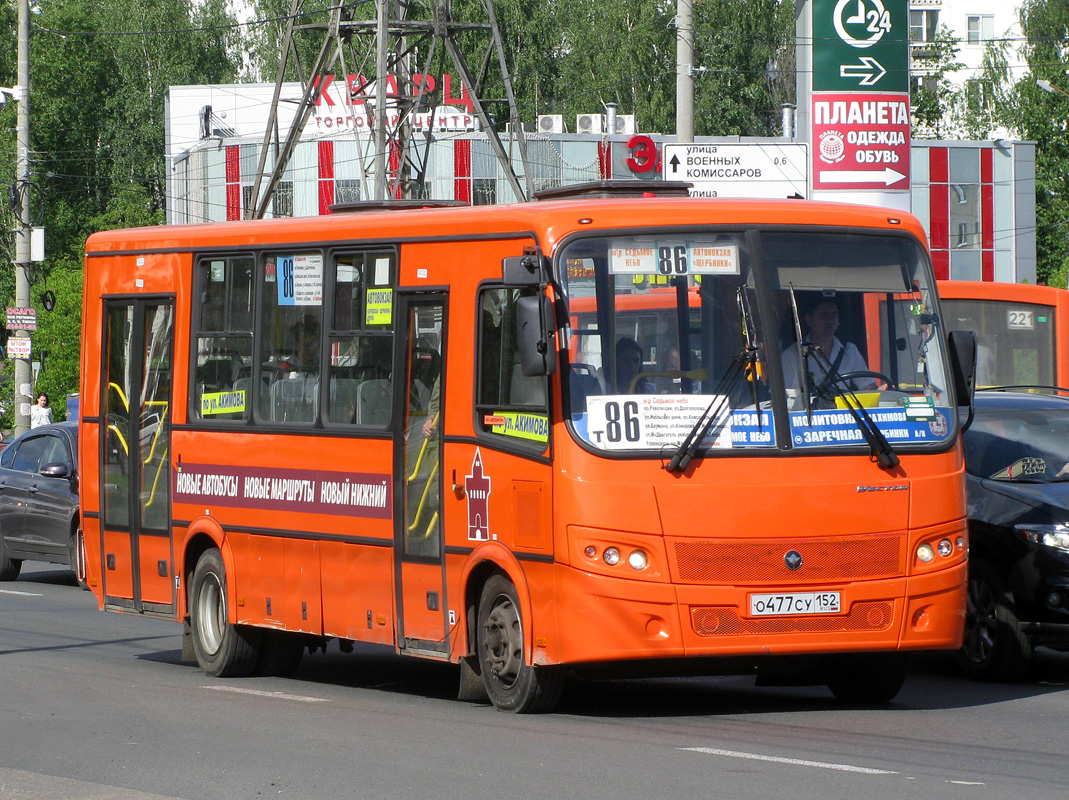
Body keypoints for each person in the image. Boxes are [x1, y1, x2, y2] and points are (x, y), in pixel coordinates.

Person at [780, 298, 874, 393]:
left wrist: (883, 390)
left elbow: (867, 386)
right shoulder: (792, 356)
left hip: (846, 407)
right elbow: (786, 397)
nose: (830, 320)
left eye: (834, 315)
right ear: (809, 320)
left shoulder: (850, 350)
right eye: (824, 315)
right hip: (811, 408)